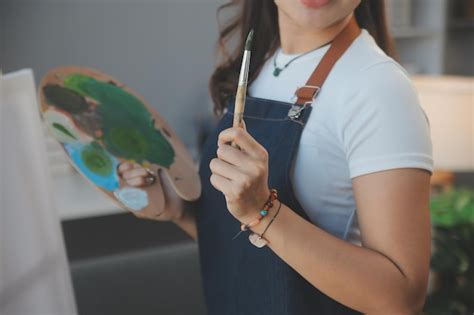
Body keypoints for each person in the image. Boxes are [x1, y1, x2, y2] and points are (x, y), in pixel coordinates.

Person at [117, 0, 433, 313]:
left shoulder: (378, 87)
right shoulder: (257, 68)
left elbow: (401, 298)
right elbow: (254, 255)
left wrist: (263, 210)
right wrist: (180, 212)